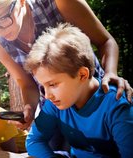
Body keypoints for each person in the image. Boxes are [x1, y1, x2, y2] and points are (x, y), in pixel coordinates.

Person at [0, 0, 133, 131]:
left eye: (2, 20)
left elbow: (106, 41)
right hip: (56, 109)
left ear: (21, 1)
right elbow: (27, 83)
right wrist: (30, 108)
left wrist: (110, 72)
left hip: (94, 100)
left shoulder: (60, 3)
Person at [24, 23, 133, 157]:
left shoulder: (116, 106)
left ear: (82, 75)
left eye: (52, 84)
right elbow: (34, 141)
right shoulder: (55, 104)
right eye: (43, 86)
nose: (47, 96)